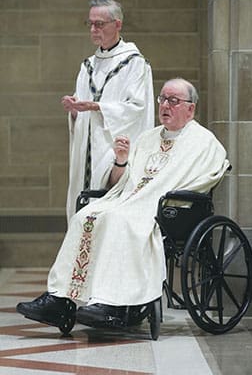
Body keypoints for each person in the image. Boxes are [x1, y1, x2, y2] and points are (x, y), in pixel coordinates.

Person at [16, 78, 230, 328]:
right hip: (126, 200)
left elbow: (203, 182)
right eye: (162, 99)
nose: (165, 105)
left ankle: (112, 303)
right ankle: (61, 299)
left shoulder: (204, 142)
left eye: (174, 100)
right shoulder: (147, 138)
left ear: (190, 108)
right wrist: (120, 160)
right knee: (85, 216)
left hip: (166, 210)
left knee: (119, 221)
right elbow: (119, 183)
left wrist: (153, 197)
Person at [61, 0, 154, 223]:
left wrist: (96, 106)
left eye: (100, 24)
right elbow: (82, 114)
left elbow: (137, 108)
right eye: (91, 24)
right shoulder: (87, 66)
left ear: (118, 24)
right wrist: (74, 110)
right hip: (87, 152)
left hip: (112, 150)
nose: (94, 29)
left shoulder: (134, 63)